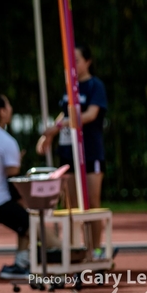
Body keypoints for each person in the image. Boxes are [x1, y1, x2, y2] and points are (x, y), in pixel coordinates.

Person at [0, 93, 59, 280]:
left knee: (25, 217)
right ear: (1, 111)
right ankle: (63, 252)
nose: (11, 109)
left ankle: (24, 261)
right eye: (8, 105)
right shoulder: (5, 140)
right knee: (32, 221)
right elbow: (12, 180)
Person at [36, 44, 108, 257]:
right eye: (70, 61)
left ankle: (94, 248)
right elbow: (63, 115)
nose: (73, 65)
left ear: (88, 61)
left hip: (90, 152)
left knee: (92, 203)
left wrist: (59, 126)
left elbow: (89, 115)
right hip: (68, 154)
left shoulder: (95, 86)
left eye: (76, 60)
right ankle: (75, 249)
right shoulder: (70, 87)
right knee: (72, 206)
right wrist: (48, 136)